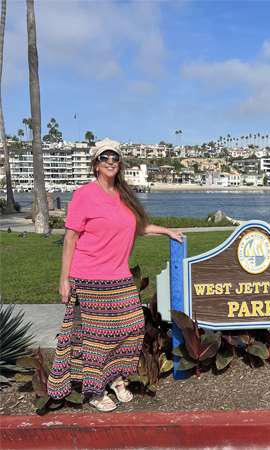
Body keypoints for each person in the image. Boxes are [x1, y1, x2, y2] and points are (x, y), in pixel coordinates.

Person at [47, 138, 185, 412]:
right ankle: (95, 390)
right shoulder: (85, 194)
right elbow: (71, 238)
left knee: (133, 327)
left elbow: (139, 227)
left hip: (119, 276)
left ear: (119, 163)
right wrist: (64, 280)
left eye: (115, 157)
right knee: (97, 337)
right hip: (88, 277)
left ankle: (116, 377)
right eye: (104, 157)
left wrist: (166, 231)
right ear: (96, 164)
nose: (110, 161)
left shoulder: (123, 195)